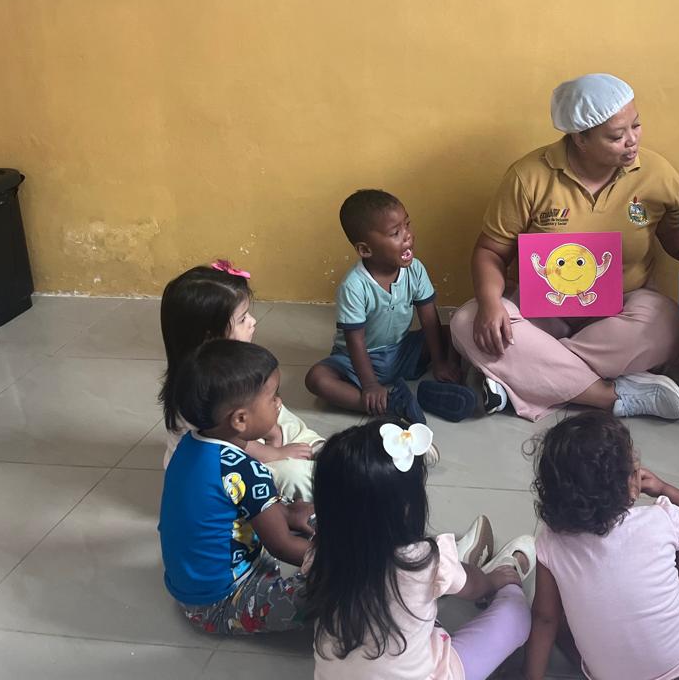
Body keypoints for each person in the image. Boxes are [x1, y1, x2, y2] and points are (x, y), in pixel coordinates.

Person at [451, 73, 679, 421]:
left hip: (622, 309)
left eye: (636, 125)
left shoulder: (655, 172)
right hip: (543, 310)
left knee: (668, 323)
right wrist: (490, 303)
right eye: (616, 136)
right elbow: (491, 252)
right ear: (580, 138)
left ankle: (526, 375)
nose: (632, 140)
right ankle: (610, 395)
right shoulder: (528, 176)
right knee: (466, 321)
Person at [308, 419, 534, 680]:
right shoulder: (422, 560)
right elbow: (476, 587)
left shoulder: (318, 555)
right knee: (516, 616)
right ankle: (489, 570)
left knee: (402, 612)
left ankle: (454, 569)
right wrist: (493, 581)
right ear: (407, 507)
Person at [524, 411, 679, 680]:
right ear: (631, 486)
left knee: (555, 612)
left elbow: (544, 619)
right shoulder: (659, 520)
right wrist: (664, 488)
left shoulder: (550, 542)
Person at [159, 339, 314, 634]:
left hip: (189, 591)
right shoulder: (246, 471)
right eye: (273, 397)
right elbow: (282, 546)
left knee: (302, 512)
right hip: (224, 603)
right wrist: (344, 561)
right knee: (340, 584)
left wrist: (293, 513)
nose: (279, 402)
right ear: (241, 420)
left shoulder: (190, 444)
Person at [305, 189, 476, 424]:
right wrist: (370, 385)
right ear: (365, 250)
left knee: (453, 331)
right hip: (358, 359)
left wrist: (440, 362)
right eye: (395, 233)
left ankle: (447, 380)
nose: (408, 236)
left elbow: (428, 318)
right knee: (317, 378)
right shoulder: (354, 286)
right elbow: (356, 341)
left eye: (407, 225)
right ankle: (392, 404)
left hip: (402, 350)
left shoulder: (415, 269)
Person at [159, 261, 323, 500]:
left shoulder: (228, 364)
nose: (253, 321)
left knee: (279, 412)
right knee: (293, 474)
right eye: (242, 318)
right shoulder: (198, 393)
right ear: (211, 336)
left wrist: (275, 431)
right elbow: (234, 445)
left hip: (245, 438)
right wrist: (276, 452)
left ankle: (319, 450)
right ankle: (325, 483)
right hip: (218, 471)